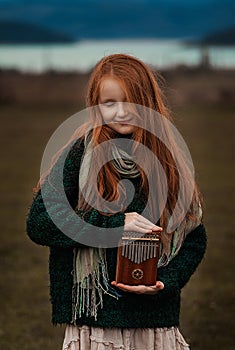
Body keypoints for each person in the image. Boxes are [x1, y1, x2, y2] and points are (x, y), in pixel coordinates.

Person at [26, 53, 207, 350]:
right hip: (94, 319)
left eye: (130, 101)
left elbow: (194, 237)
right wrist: (114, 224)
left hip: (154, 320)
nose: (121, 112)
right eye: (110, 103)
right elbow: (40, 223)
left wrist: (165, 282)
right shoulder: (79, 154)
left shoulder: (168, 160)